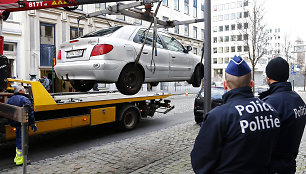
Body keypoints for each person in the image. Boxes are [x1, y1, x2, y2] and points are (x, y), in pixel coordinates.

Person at [191, 56, 281, 174]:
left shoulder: (218, 116)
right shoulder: (271, 111)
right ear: (251, 84)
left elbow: (200, 162)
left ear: (224, 85)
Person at [259, 57, 306, 174]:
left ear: (268, 78)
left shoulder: (270, 104)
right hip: (289, 164)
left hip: (273, 167)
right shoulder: (298, 100)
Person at [7, 85, 37, 166]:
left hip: (14, 122)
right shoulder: (25, 99)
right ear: (20, 91)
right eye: (24, 89)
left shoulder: (10, 99)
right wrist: (32, 123)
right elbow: (30, 113)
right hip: (23, 123)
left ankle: (17, 158)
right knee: (22, 140)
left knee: (18, 139)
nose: (25, 91)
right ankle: (21, 160)